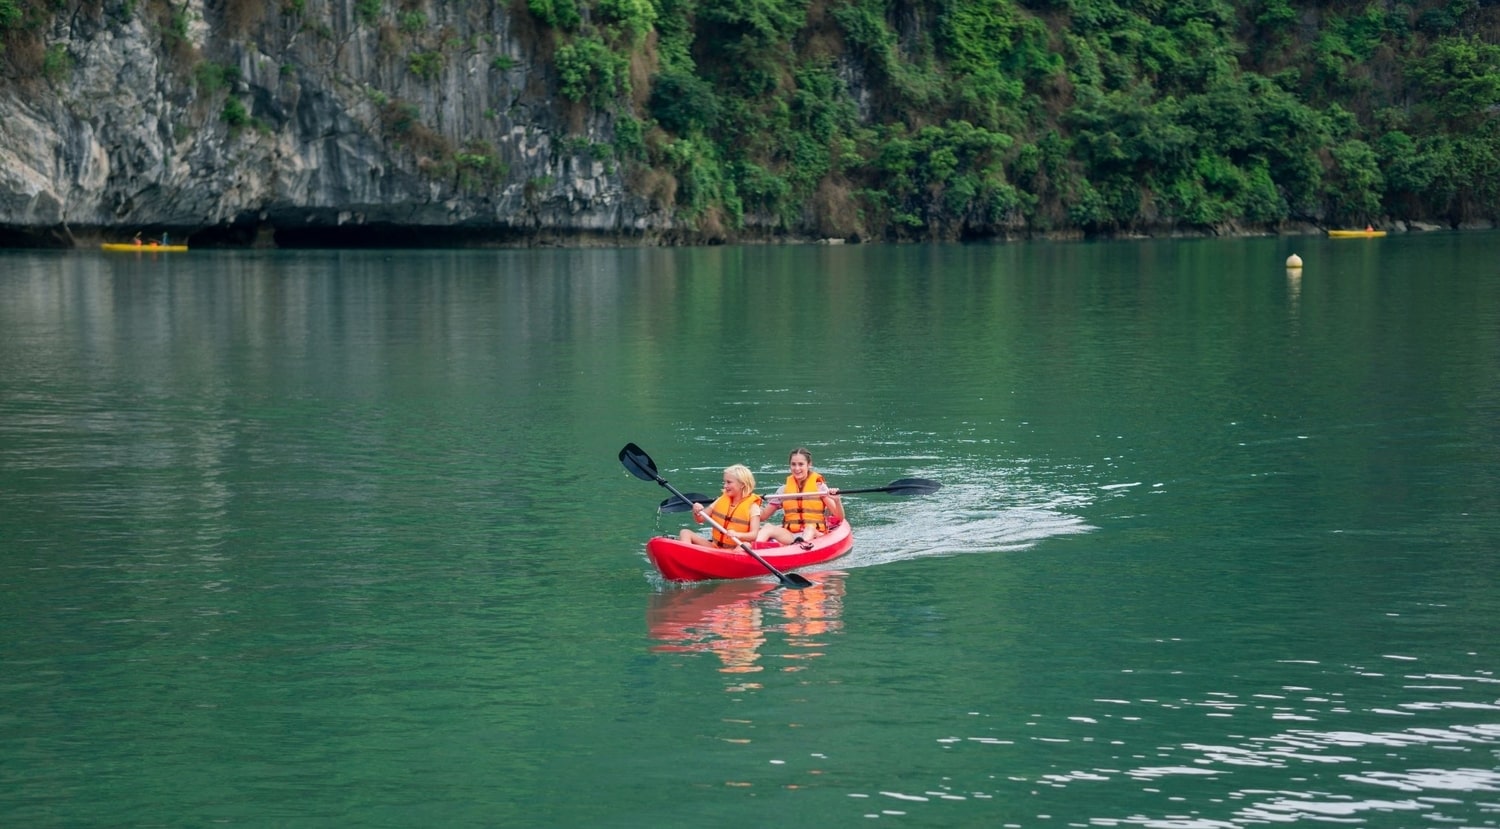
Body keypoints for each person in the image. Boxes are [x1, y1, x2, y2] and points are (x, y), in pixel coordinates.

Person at [755, 448, 843, 548]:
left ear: (809, 465)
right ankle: (756, 550)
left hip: (815, 533)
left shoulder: (820, 488)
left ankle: (802, 547)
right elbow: (763, 517)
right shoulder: (783, 491)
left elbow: (840, 517)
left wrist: (837, 500)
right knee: (767, 527)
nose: (797, 468)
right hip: (791, 535)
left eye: (801, 464)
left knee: (809, 528)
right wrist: (752, 504)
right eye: (793, 464)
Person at [677, 464, 762, 549]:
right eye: (724, 482)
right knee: (685, 533)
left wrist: (737, 534)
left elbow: (753, 535)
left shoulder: (753, 507)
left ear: (742, 484)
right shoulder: (721, 500)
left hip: (734, 550)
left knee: (746, 545)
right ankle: (686, 557)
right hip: (715, 547)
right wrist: (697, 511)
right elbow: (700, 519)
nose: (725, 486)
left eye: (729, 482)